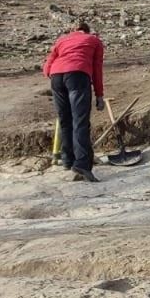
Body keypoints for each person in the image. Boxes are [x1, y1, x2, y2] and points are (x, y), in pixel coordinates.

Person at [42, 19, 105, 182]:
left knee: (65, 120)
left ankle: (67, 159)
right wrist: (99, 95)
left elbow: (46, 67)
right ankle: (82, 164)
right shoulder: (94, 40)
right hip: (78, 75)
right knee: (80, 121)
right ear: (87, 30)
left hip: (56, 77)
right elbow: (97, 69)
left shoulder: (61, 40)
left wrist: (56, 75)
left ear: (73, 30)